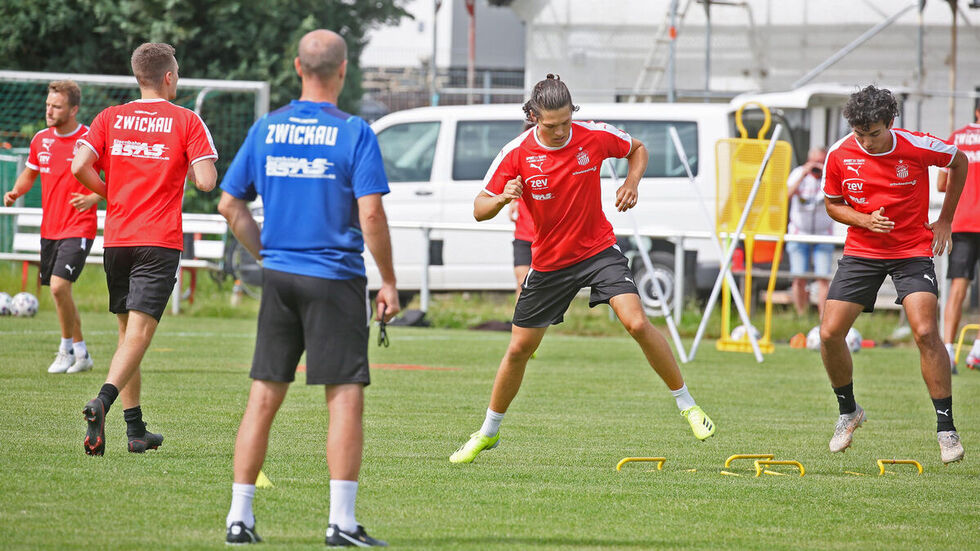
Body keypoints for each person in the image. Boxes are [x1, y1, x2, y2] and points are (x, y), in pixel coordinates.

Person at [449, 75, 716, 465]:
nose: (560, 132)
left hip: (598, 251)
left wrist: (632, 182)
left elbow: (637, 148)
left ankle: (687, 405)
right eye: (550, 125)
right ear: (532, 117)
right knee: (519, 349)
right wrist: (503, 198)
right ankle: (488, 433)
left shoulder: (592, 136)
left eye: (565, 122)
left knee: (636, 322)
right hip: (549, 264)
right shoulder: (516, 153)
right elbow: (478, 208)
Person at [218, 30, 399, 547]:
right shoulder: (355, 132)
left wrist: (265, 254)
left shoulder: (266, 128)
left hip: (279, 277)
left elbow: (230, 205)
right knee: (343, 398)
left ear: (298, 67)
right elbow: (371, 214)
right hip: (335, 278)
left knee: (263, 396)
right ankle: (341, 523)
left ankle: (239, 518)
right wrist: (388, 280)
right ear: (343, 70)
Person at [71, 43, 218, 456]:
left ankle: (135, 431)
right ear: (169, 77)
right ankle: (102, 401)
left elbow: (78, 166)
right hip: (158, 239)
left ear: (139, 77)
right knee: (139, 335)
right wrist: (190, 167)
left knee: (126, 334)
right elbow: (206, 181)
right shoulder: (187, 119)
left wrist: (112, 192)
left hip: (118, 239)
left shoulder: (109, 117)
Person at [820, 85, 968, 464]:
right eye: (859, 134)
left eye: (873, 133)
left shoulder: (916, 145)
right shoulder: (839, 153)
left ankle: (946, 429)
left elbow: (960, 161)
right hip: (862, 252)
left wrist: (946, 219)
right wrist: (864, 220)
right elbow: (833, 204)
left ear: (890, 122)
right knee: (829, 333)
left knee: (925, 331)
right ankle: (849, 411)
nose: (866, 142)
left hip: (911, 251)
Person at [3, 80, 102, 374]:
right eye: (48, 105)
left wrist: (93, 197)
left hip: (79, 227)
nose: (49, 111)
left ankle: (65, 350)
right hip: (50, 229)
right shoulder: (41, 140)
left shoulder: (90, 140)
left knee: (59, 287)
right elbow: (29, 174)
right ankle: (82, 354)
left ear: (73, 110)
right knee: (61, 293)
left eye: (56, 106)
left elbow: (116, 178)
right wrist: (16, 191)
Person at [938, 98, 980, 373]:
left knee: (957, 287)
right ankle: (977, 351)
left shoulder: (957, 138)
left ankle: (948, 350)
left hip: (963, 221)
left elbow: (941, 183)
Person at [785, 146, 833, 317]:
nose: (816, 166)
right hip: (799, 233)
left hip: (823, 234)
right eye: (814, 162)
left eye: (821, 162)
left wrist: (825, 174)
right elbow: (785, 196)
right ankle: (801, 316)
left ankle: (823, 318)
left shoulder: (830, 175)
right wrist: (803, 175)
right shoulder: (798, 173)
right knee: (799, 277)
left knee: (823, 278)